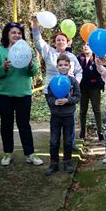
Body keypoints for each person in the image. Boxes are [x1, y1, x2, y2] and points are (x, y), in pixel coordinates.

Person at [0, 22, 43, 166]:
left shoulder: (28, 51)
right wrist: (4, 67)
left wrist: (31, 66)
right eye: (13, 32)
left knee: (24, 124)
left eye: (19, 33)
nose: (16, 35)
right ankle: (7, 153)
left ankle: (30, 153)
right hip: (3, 94)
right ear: (7, 34)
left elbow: (34, 72)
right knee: (6, 124)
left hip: (23, 94)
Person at [32, 15, 82, 147]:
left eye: (63, 40)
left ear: (67, 42)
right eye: (58, 40)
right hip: (51, 92)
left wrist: (74, 84)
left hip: (68, 93)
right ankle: (55, 141)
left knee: (69, 117)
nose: (60, 42)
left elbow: (79, 72)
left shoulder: (72, 57)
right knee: (56, 117)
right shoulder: (49, 53)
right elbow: (37, 41)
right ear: (55, 43)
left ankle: (70, 143)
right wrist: (35, 24)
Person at [45, 54, 81, 175]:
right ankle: (54, 163)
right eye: (61, 65)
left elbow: (77, 96)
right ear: (57, 67)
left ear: (69, 66)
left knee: (68, 141)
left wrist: (68, 100)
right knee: (54, 140)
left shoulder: (73, 81)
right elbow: (49, 97)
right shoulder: (53, 82)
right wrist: (54, 102)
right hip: (55, 115)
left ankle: (67, 161)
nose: (63, 67)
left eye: (66, 65)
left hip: (68, 116)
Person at [78, 41, 104, 141]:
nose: (85, 47)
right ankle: (82, 131)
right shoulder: (79, 58)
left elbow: (102, 72)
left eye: (88, 45)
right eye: (84, 45)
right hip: (82, 88)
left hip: (94, 87)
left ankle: (100, 131)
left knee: (96, 109)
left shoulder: (97, 58)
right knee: (83, 110)